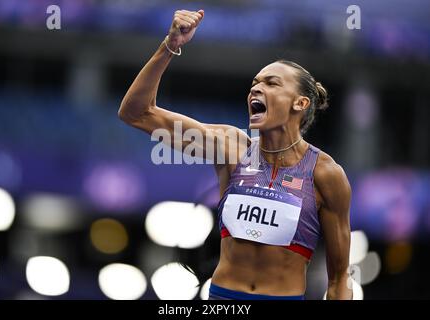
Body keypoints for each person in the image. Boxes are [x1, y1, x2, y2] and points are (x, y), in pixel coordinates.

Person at [118, 9, 353, 300]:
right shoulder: (232, 148)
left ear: (300, 103)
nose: (256, 88)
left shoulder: (325, 174)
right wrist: (170, 46)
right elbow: (136, 113)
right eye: (255, 83)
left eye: (271, 83)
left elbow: (339, 279)